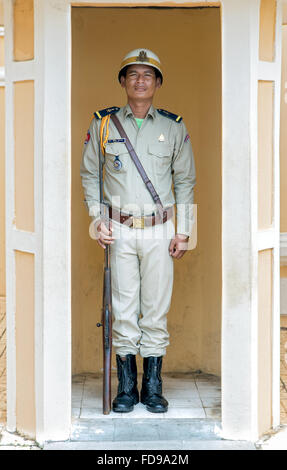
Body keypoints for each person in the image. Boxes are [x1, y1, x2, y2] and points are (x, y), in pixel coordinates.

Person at [80, 48, 196, 414]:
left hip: (161, 230)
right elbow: (89, 176)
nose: (140, 81)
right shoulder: (102, 124)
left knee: (155, 309)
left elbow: (185, 180)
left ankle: (153, 387)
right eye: (133, 75)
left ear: (157, 83)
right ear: (123, 82)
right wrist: (97, 219)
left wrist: (185, 231)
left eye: (148, 75)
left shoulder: (174, 126)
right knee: (123, 309)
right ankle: (127, 388)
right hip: (119, 227)